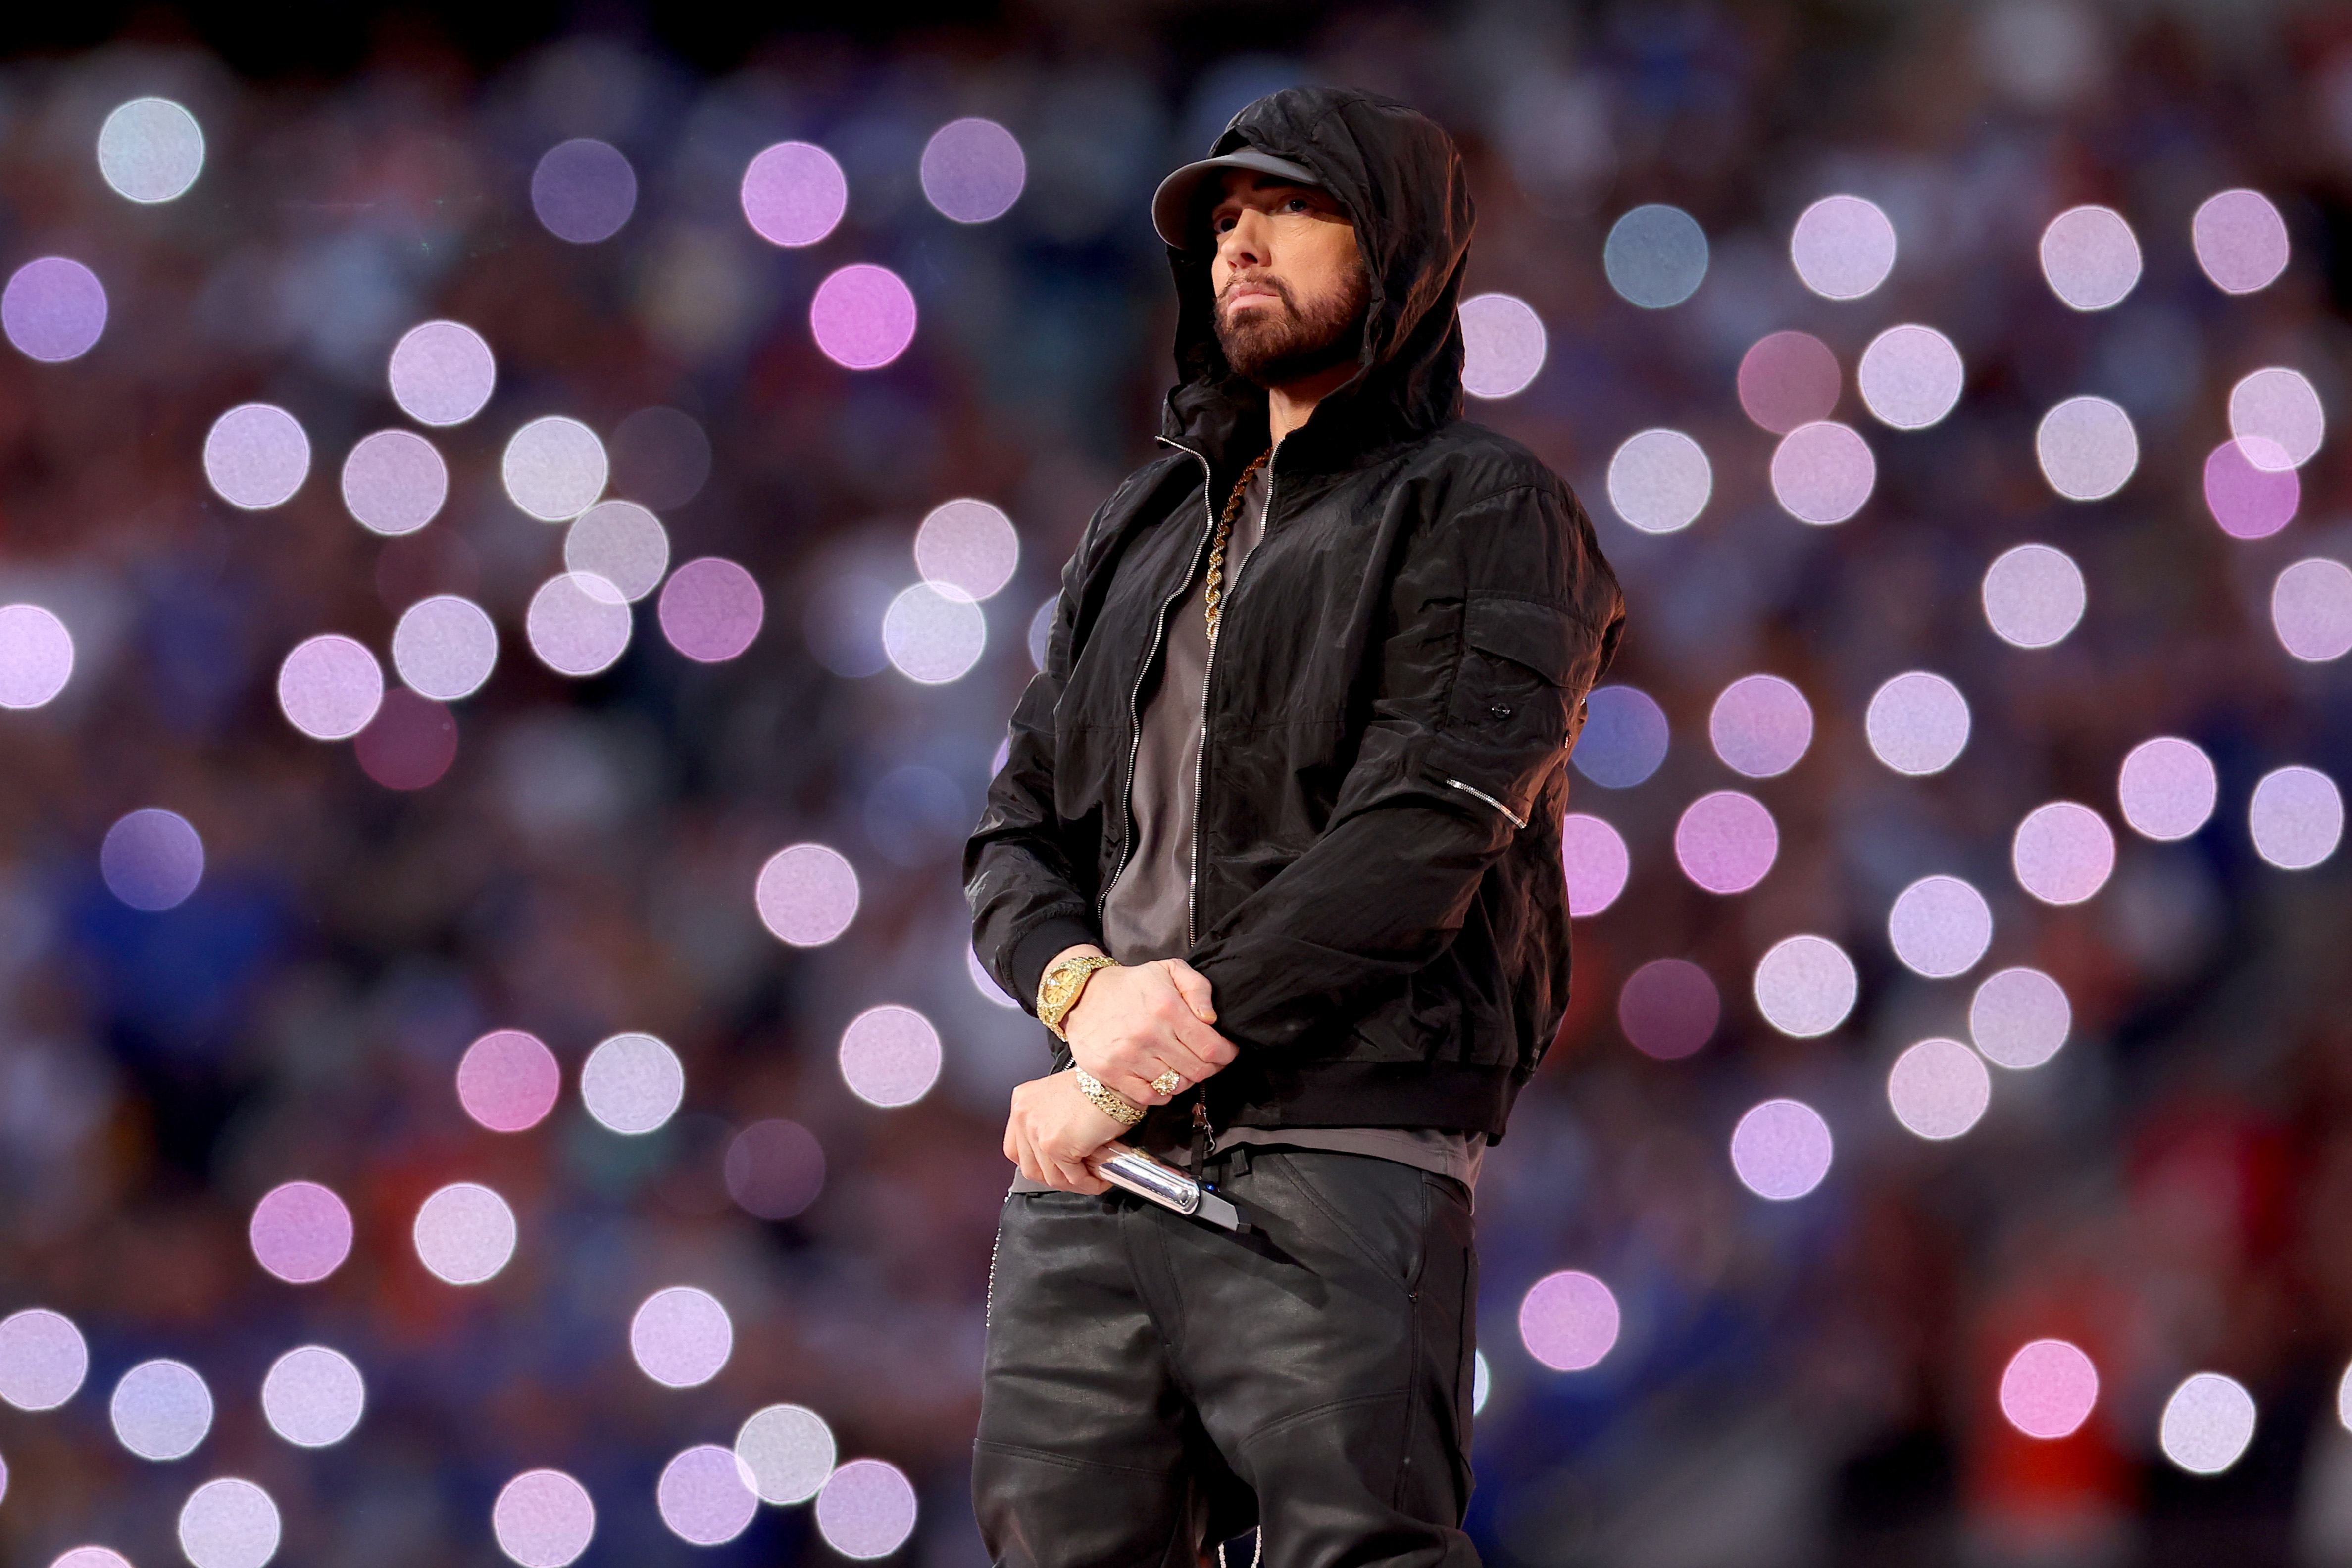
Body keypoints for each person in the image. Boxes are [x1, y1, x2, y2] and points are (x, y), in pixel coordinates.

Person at [963, 84, 1624, 1568]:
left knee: (1356, 1553)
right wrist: (1080, 995)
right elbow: (1016, 837)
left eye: (1292, 206)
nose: (1241, 241)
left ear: (1398, 252)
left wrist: (1127, 1066)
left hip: (1335, 1150)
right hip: (1092, 1176)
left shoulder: (1486, 507)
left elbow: (1421, 839)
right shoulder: (1143, 524)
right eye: (1223, 219)